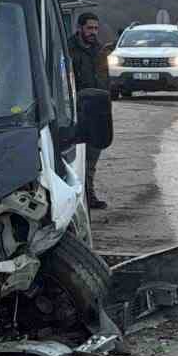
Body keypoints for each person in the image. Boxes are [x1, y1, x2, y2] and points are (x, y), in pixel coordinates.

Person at [70, 11, 112, 210]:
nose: (93, 32)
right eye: (89, 28)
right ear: (80, 28)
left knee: (93, 156)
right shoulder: (69, 49)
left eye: (96, 28)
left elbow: (105, 77)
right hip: (76, 109)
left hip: (97, 110)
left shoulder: (100, 50)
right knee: (76, 157)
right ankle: (78, 196)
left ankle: (89, 194)